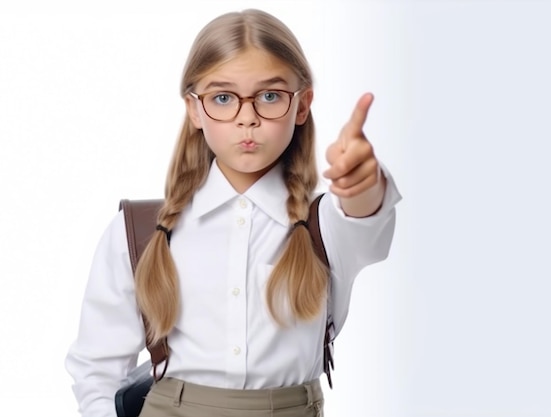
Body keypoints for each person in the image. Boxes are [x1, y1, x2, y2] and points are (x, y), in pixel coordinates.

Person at [65, 8, 401, 417]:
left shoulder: (324, 224)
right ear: (195, 109)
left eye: (270, 96)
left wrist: (362, 182)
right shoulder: (138, 231)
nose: (247, 118)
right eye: (223, 98)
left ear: (302, 105)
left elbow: (365, 220)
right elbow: (96, 369)